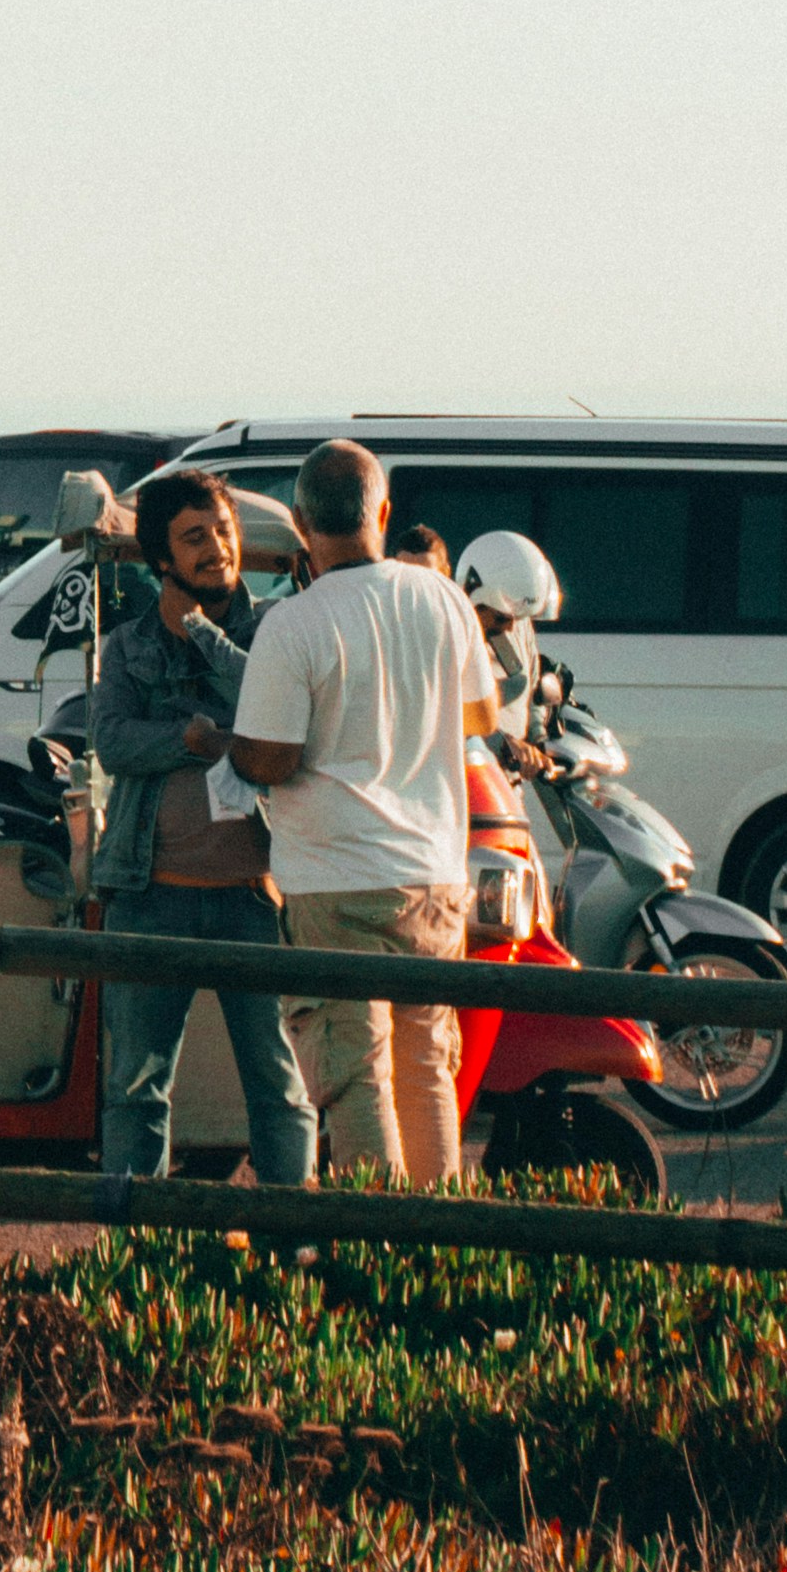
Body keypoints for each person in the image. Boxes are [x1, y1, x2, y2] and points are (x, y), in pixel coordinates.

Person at [229, 434, 496, 1187]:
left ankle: (377, 1256)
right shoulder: (444, 599)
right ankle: (438, 1249)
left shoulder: (294, 624)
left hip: (333, 878)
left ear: (299, 522)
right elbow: (481, 716)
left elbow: (272, 759)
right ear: (383, 510)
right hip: (434, 877)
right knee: (427, 1072)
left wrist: (233, 746)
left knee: (356, 1080)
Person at [81, 472, 316, 1201]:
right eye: (195, 538)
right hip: (149, 896)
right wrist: (191, 738)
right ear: (161, 559)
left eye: (222, 529)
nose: (218, 547)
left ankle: (293, 1248)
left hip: (255, 898)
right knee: (136, 1088)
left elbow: (274, 708)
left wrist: (206, 638)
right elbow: (112, 742)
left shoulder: (277, 630)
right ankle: (134, 1259)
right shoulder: (125, 646)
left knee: (278, 1085)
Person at [457, 523, 560, 738]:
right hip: (472, 767)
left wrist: (537, 735)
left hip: (511, 770)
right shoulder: (449, 640)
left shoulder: (517, 620)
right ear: (473, 596)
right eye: (501, 618)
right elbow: (450, 717)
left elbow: (533, 691)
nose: (511, 627)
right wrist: (505, 745)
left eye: (519, 619)